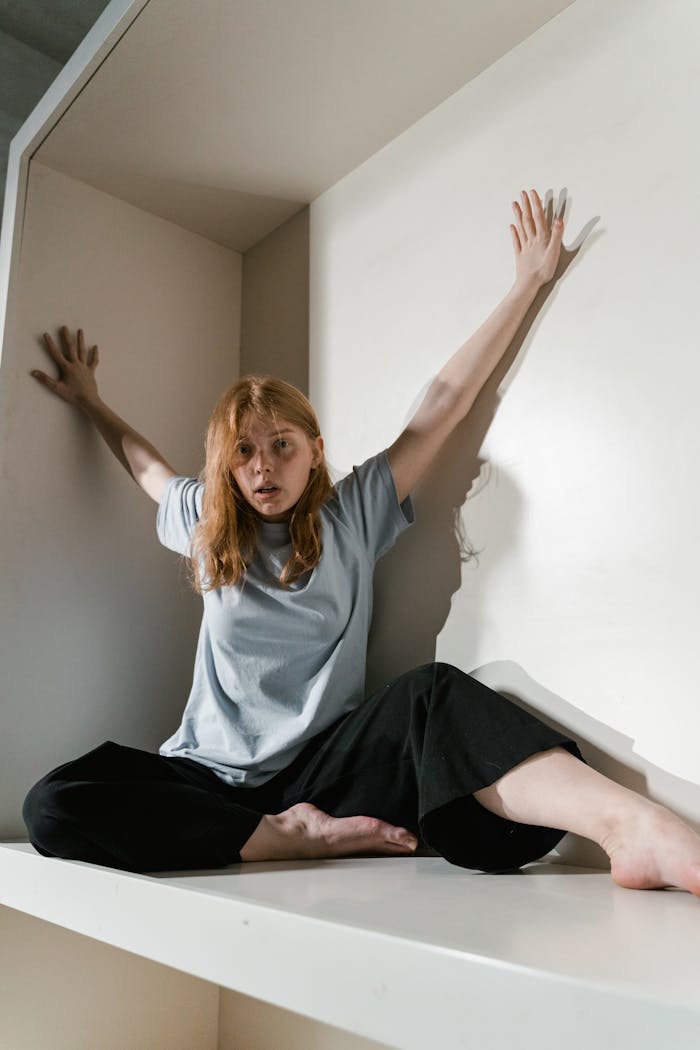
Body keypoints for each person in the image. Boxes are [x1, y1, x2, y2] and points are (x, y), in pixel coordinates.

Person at [23, 190, 700, 894]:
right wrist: (91, 401)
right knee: (53, 804)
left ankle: (634, 829)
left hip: (326, 774)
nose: (262, 466)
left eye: (281, 446)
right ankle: (276, 839)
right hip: (207, 782)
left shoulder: (352, 514)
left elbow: (441, 403)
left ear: (314, 451)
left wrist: (529, 280)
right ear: (227, 465)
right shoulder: (207, 523)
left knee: (434, 697)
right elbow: (147, 467)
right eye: (245, 451)